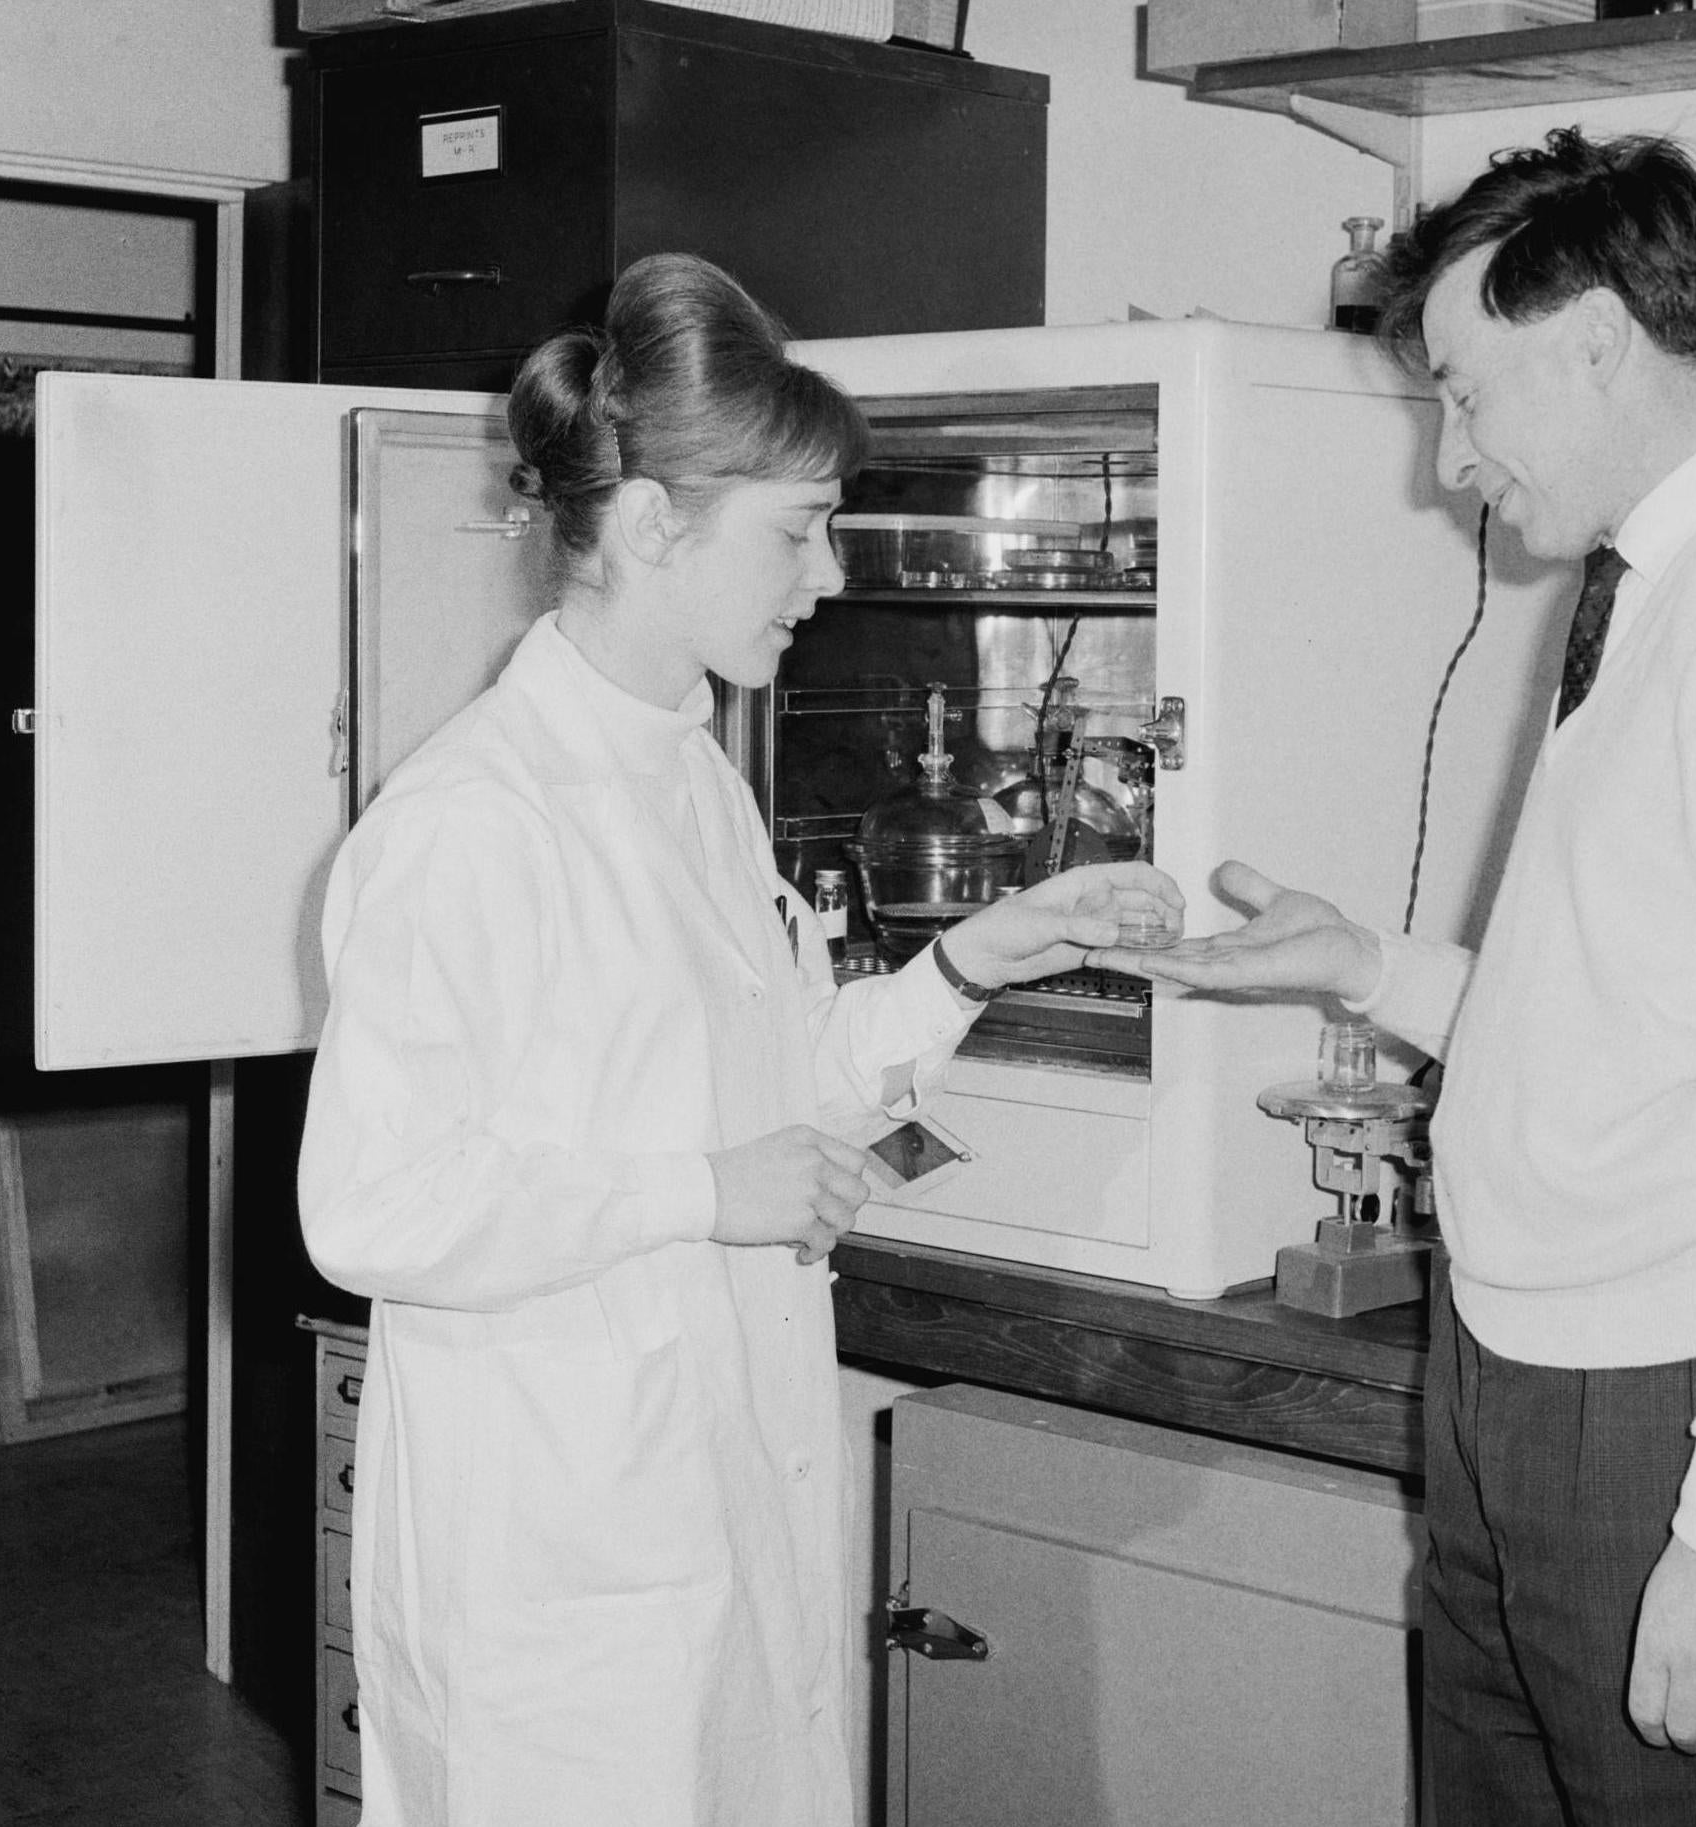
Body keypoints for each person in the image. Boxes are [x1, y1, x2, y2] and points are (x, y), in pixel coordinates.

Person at [1098, 131, 1696, 1824]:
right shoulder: (1652, 597)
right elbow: (1644, 1018)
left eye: (1466, 391)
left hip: (1685, 1412)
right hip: (1516, 1382)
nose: (1453, 461)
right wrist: (1367, 966)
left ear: (1595, 338)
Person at [297, 252, 1182, 1827]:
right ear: (650, 526)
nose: (827, 574)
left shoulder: (688, 775)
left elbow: (773, 1093)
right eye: (796, 529)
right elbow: (373, 1206)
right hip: (565, 1557)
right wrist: (705, 1192)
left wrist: (972, 961)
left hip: (712, 1501)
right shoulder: (469, 826)